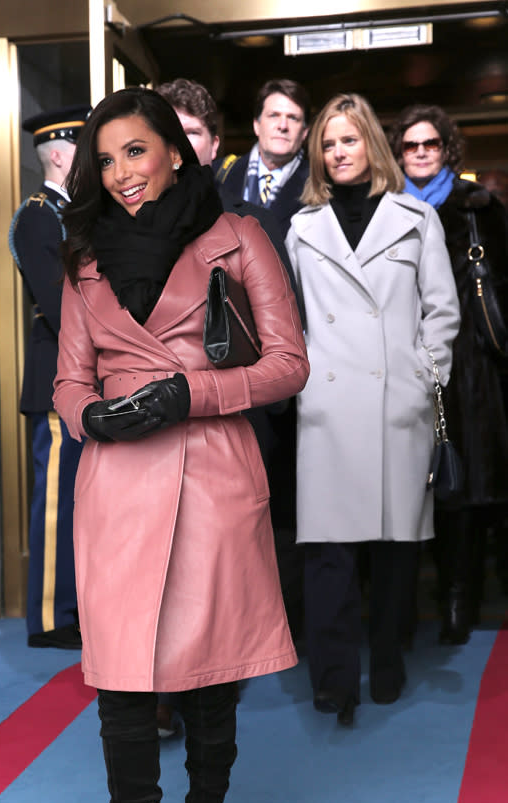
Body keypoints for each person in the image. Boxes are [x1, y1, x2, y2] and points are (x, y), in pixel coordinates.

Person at [54, 87, 308, 803]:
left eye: (137, 151)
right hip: (119, 488)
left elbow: (287, 364)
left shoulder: (238, 236)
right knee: (121, 688)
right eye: (108, 157)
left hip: (210, 471)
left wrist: (188, 393)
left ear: (175, 151)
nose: (122, 173)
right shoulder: (79, 256)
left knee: (207, 678)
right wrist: (93, 417)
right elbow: (65, 381)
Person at [286, 93, 459, 725]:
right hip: (327, 401)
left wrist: (421, 376)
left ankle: (387, 660)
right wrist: (301, 376)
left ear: (371, 146)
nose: (337, 153)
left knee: (393, 550)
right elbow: (292, 319)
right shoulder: (303, 227)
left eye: (348, 140)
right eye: (327, 144)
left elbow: (441, 311)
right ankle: (333, 680)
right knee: (328, 554)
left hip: (396, 403)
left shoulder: (417, 218)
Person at [154, 77, 300, 737]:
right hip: (145, 437)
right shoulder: (109, 236)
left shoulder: (251, 228)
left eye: (189, 135)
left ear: (213, 148)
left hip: (230, 426)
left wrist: (214, 394)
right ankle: (160, 694)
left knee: (216, 578)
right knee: (156, 571)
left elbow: (284, 351)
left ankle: (209, 699)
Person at [388, 105, 508, 644]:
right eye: (410, 146)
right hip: (401, 359)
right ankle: (411, 601)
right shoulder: (382, 209)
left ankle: (461, 595)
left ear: (446, 149)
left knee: (467, 483)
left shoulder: (477, 206)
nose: (420, 153)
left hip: (471, 366)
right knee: (415, 484)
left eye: (429, 144)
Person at [9, 106, 90, 649]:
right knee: (58, 501)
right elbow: (61, 303)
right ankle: (50, 617)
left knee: (78, 500)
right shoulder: (40, 215)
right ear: (59, 154)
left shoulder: (70, 213)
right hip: (58, 377)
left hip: (77, 377)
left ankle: (71, 607)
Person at [214, 78, 311, 240]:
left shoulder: (319, 184)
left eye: (293, 118)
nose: (283, 126)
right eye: (274, 115)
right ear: (256, 125)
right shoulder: (219, 173)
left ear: (305, 132)